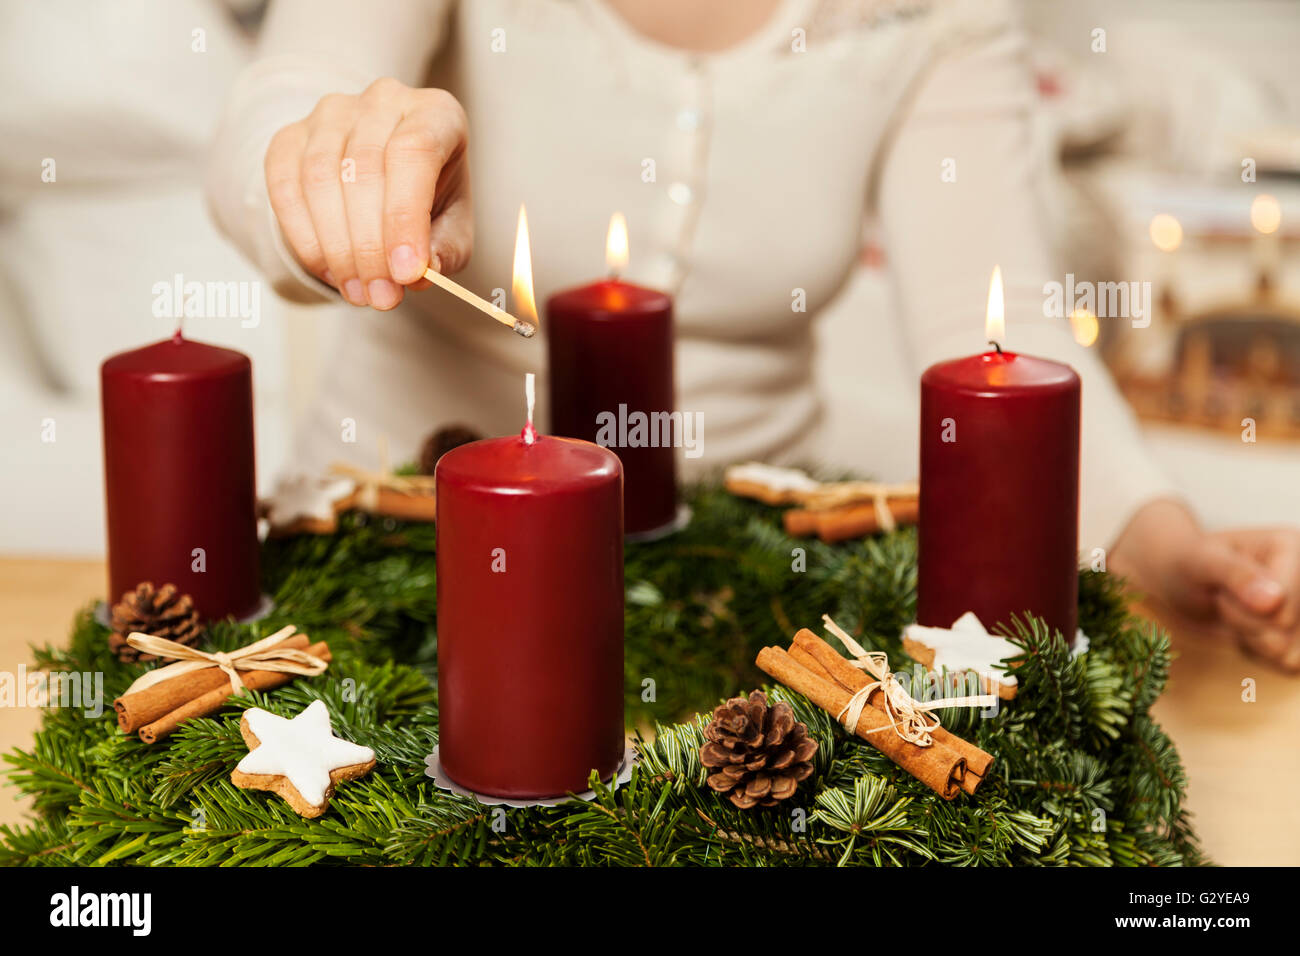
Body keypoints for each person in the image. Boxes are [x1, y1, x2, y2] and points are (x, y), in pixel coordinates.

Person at [207, 0, 1300, 670]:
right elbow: (284, 105)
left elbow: (989, 336)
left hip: (751, 598)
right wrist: (333, 176)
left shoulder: (929, 15)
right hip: (385, 558)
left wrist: (1167, 546)